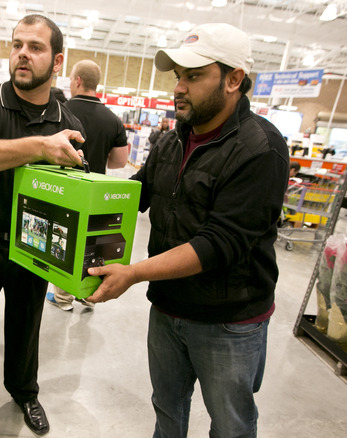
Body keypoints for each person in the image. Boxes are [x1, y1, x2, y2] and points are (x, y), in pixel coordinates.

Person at [85, 23, 289, 438]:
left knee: (230, 424)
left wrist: (134, 272)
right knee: (167, 409)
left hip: (229, 321)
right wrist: (74, 193)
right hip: (167, 308)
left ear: (234, 79)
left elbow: (220, 243)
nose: (179, 86)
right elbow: (135, 194)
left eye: (194, 76)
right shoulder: (173, 139)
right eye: (178, 75)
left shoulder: (260, 149)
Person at [0, 14, 85, 437]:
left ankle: (25, 392)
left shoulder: (70, 123)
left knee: (27, 326)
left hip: (36, 244)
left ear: (58, 61)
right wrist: (40, 147)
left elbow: (79, 192)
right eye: (16, 44)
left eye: (36, 47)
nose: (22, 53)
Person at [46, 59, 129, 312]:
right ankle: (87, 293)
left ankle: (63, 299)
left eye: (71, 79)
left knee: (63, 241)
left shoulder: (59, 111)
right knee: (90, 245)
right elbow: (119, 161)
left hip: (65, 190)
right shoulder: (113, 120)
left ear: (78, 81)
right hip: (96, 193)